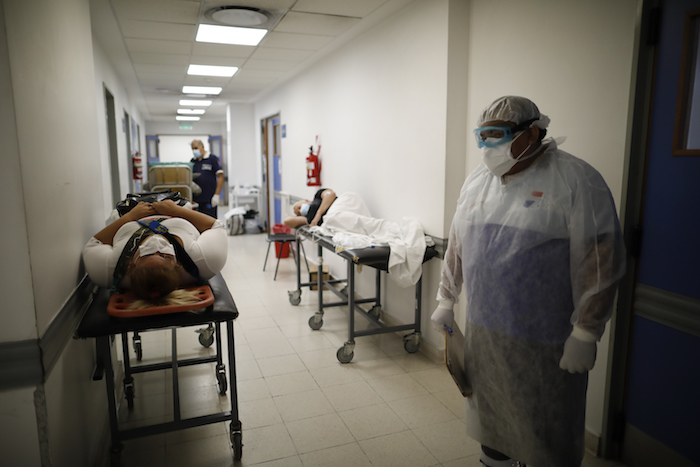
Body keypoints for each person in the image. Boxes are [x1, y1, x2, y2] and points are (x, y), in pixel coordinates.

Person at [431, 96, 626, 467]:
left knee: (544, 438)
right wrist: (446, 298)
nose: (488, 146)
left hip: (545, 345)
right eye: (482, 137)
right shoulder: (478, 182)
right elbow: (458, 242)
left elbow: (601, 262)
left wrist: (585, 332)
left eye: (497, 135)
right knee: (492, 429)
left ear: (532, 133)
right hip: (485, 335)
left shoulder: (576, 180)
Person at [83, 199, 227, 305]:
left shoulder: (109, 270)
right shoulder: (203, 261)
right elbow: (216, 226)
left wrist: (130, 217)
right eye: (165, 256)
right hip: (176, 213)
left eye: (147, 254)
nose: (156, 245)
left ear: (131, 265)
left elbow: (93, 244)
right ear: (177, 265)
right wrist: (177, 211)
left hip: (131, 215)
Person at [190, 139, 224, 218]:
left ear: (202, 147)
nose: (194, 150)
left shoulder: (212, 159)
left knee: (210, 222)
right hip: (196, 200)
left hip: (209, 199)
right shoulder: (193, 161)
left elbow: (221, 176)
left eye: (196, 148)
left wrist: (217, 195)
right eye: (193, 149)